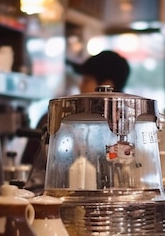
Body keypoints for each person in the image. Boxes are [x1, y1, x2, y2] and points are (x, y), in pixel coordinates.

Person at [20, 50, 131, 189]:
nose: (80, 86)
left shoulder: (126, 128)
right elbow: (29, 167)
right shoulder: (58, 119)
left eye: (87, 81)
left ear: (107, 86)